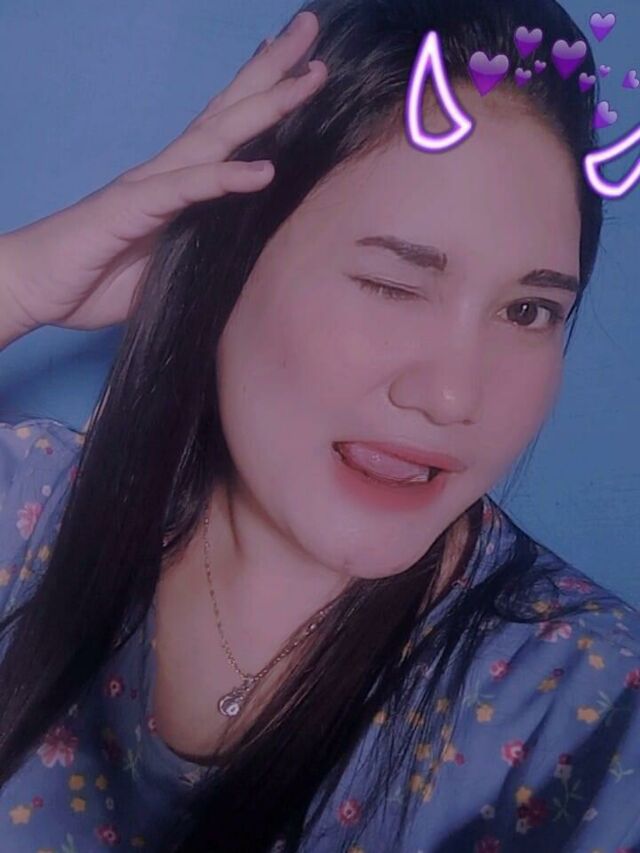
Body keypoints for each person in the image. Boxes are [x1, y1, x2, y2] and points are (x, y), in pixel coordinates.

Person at [0, 0, 638, 850]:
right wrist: (18, 281)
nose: (453, 397)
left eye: (528, 310)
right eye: (390, 284)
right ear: (230, 263)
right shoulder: (30, 512)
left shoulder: (586, 704)